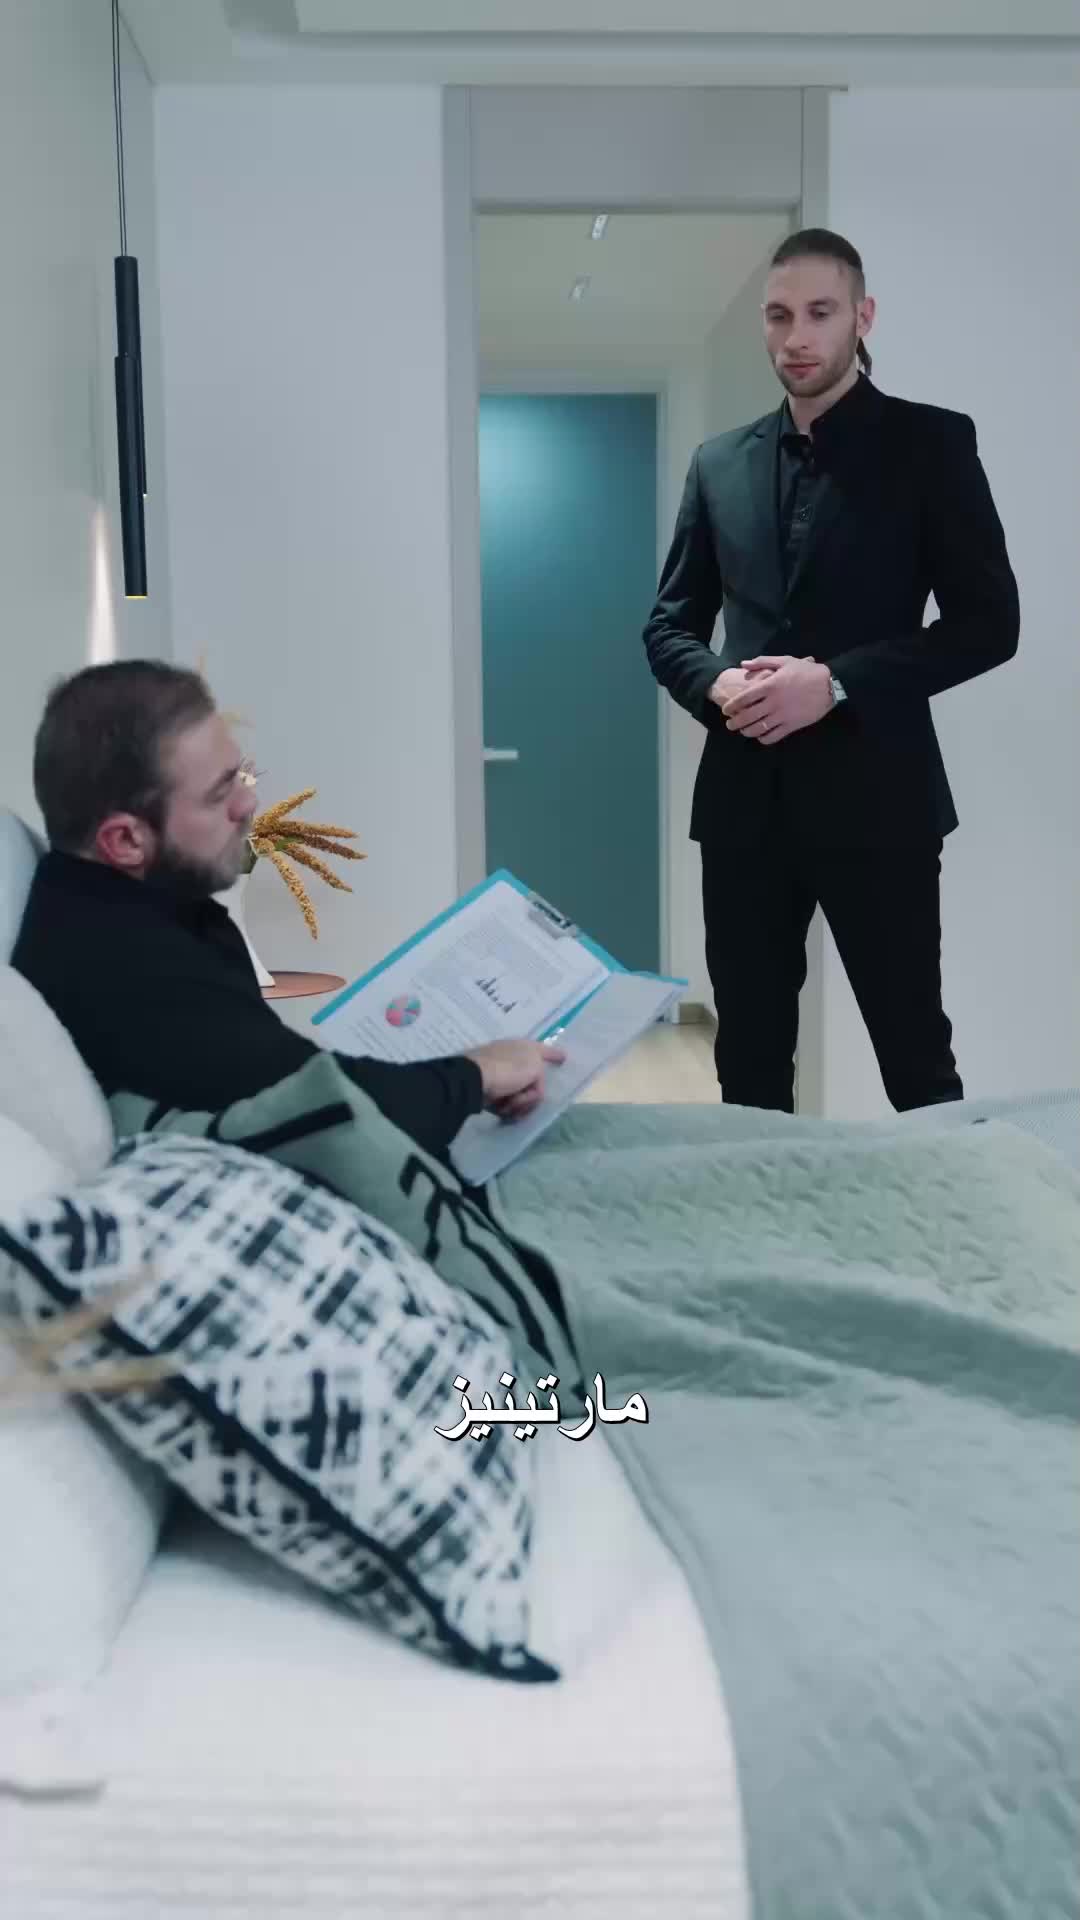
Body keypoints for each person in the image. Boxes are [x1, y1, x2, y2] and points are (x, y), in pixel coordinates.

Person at [643, 227, 1020, 1115]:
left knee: (916, 1062)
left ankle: (954, 1211)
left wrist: (836, 682)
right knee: (748, 1068)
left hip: (881, 804)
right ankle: (760, 1209)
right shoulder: (718, 463)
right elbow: (668, 626)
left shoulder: (932, 444)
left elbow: (989, 625)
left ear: (863, 317)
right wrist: (715, 684)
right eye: (778, 316)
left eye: (819, 312)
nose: (797, 337)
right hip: (745, 809)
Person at [13, 662, 562, 1156]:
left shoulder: (137, 906)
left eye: (239, 776)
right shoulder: (127, 969)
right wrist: (478, 1074)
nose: (247, 803)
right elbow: (336, 1116)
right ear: (126, 840)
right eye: (219, 794)